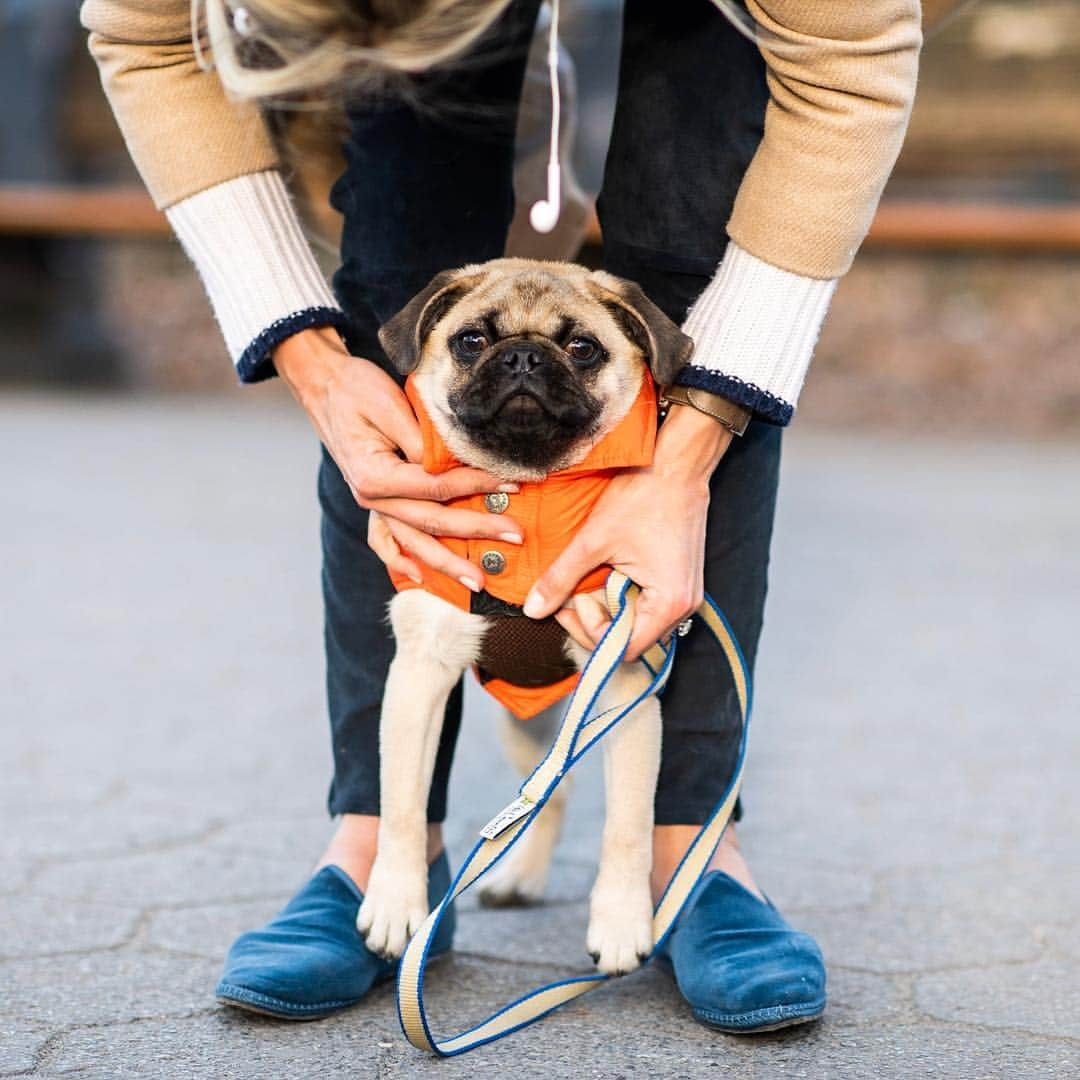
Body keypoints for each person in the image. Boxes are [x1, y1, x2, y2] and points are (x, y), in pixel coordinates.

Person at [81, 0, 922, 1033]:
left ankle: (692, 850)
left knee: (699, 233)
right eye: (486, 350)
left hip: (737, 21)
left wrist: (693, 442)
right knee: (397, 230)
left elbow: (848, 72)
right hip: (410, 42)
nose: (523, 370)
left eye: (562, 354)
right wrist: (310, 353)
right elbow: (148, 38)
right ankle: (376, 847)